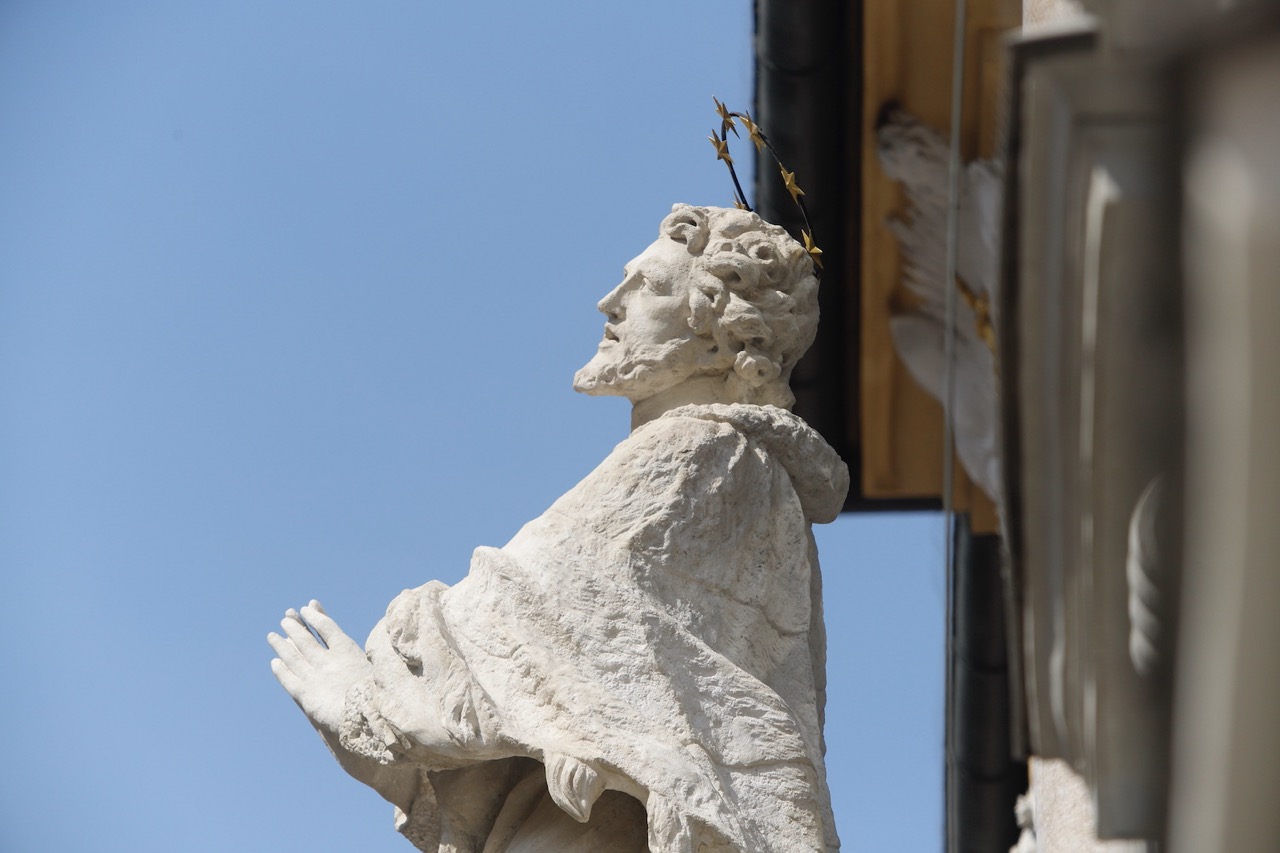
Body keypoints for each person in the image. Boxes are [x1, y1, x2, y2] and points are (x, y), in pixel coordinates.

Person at [269, 204, 848, 852]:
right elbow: (582, 673)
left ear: (719, 335)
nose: (610, 301)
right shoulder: (728, 463)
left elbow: (531, 606)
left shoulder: (703, 451)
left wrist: (370, 698)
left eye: (648, 285)